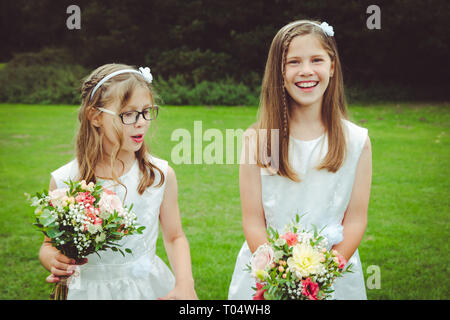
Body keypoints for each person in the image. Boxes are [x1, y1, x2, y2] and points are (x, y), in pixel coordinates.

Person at [228, 20, 372, 300]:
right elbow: (253, 221)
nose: (306, 71)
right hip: (269, 272)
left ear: (332, 66)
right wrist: (280, 273)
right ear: (279, 73)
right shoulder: (257, 140)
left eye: (316, 59)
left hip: (334, 276)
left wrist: (323, 275)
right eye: (293, 62)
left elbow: (355, 220)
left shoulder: (357, 141)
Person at [38, 63, 198, 300]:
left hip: (146, 287)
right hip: (89, 291)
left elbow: (175, 237)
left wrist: (185, 284)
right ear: (96, 117)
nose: (142, 121)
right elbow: (48, 244)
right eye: (129, 114)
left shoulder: (158, 175)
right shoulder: (65, 181)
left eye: (147, 111)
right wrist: (53, 259)